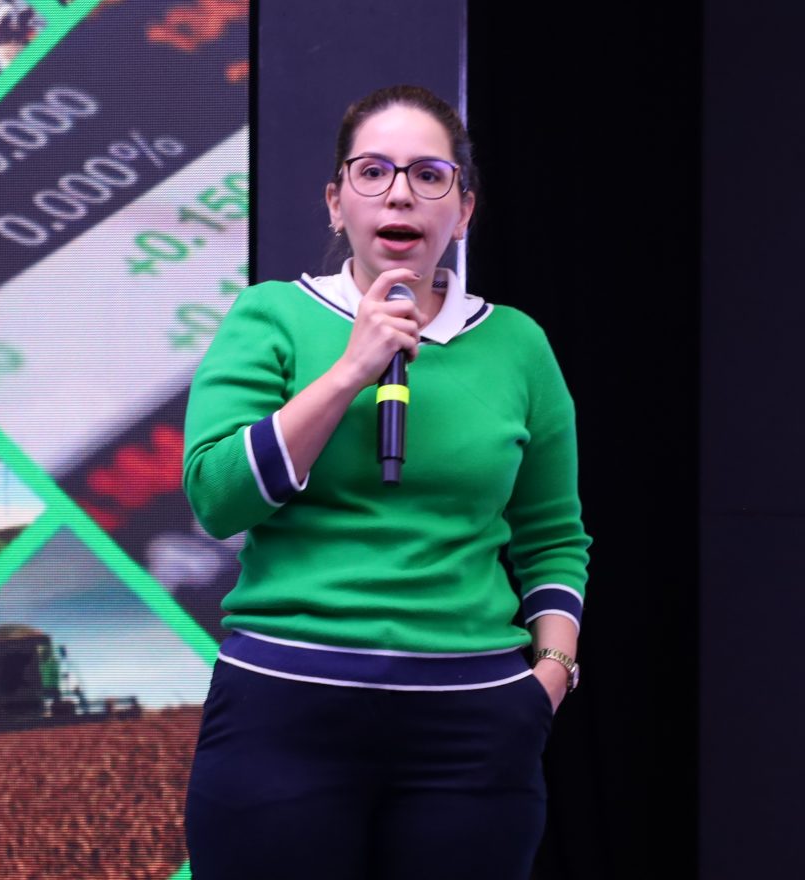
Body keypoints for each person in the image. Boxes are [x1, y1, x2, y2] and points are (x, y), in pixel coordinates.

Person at [181, 84, 592, 880]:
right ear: (336, 204)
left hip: (474, 729)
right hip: (285, 708)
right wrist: (350, 370)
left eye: (429, 175)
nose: (400, 193)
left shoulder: (517, 344)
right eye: (373, 172)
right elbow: (217, 498)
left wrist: (549, 674)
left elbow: (553, 536)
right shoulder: (271, 317)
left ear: (463, 211)